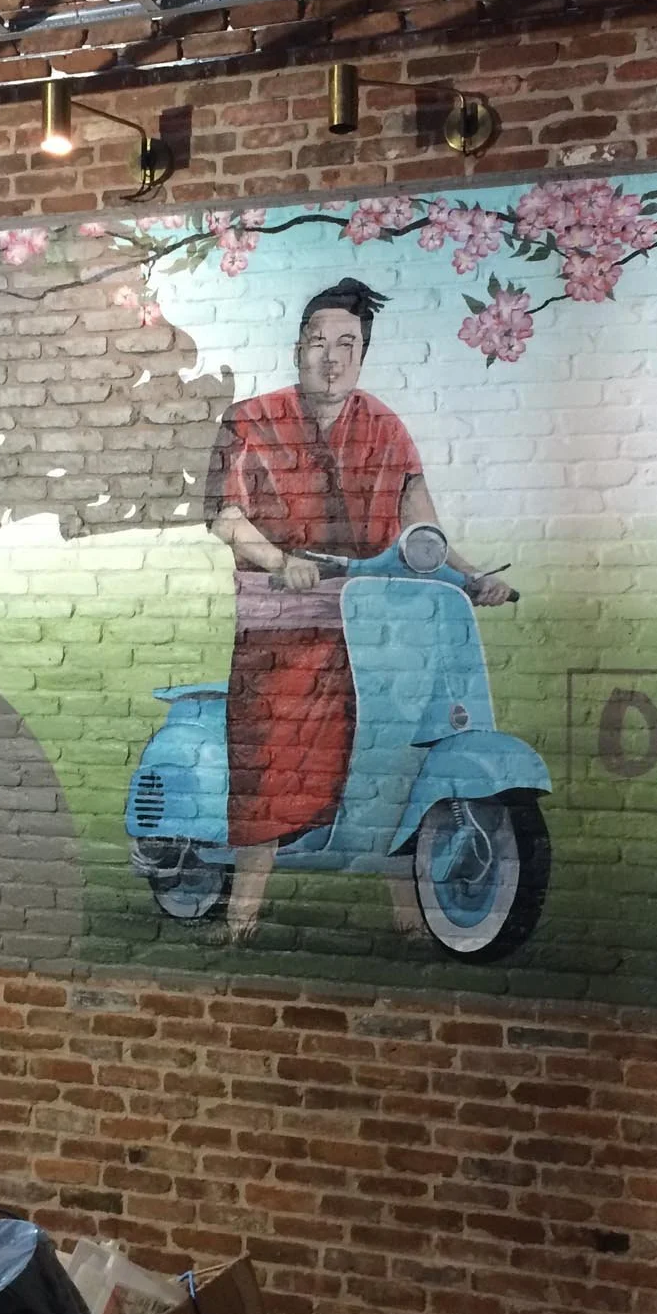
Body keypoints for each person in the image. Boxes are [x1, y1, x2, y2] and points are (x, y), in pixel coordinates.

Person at [205, 278, 514, 943]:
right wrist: (278, 560)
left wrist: (471, 578)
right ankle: (241, 918)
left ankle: (410, 920)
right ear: (298, 348)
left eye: (347, 344)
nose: (332, 357)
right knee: (272, 761)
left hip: (377, 622)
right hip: (284, 625)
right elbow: (226, 518)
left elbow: (422, 530)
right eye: (319, 341)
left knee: (396, 756)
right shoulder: (250, 420)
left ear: (363, 354)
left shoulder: (384, 428)